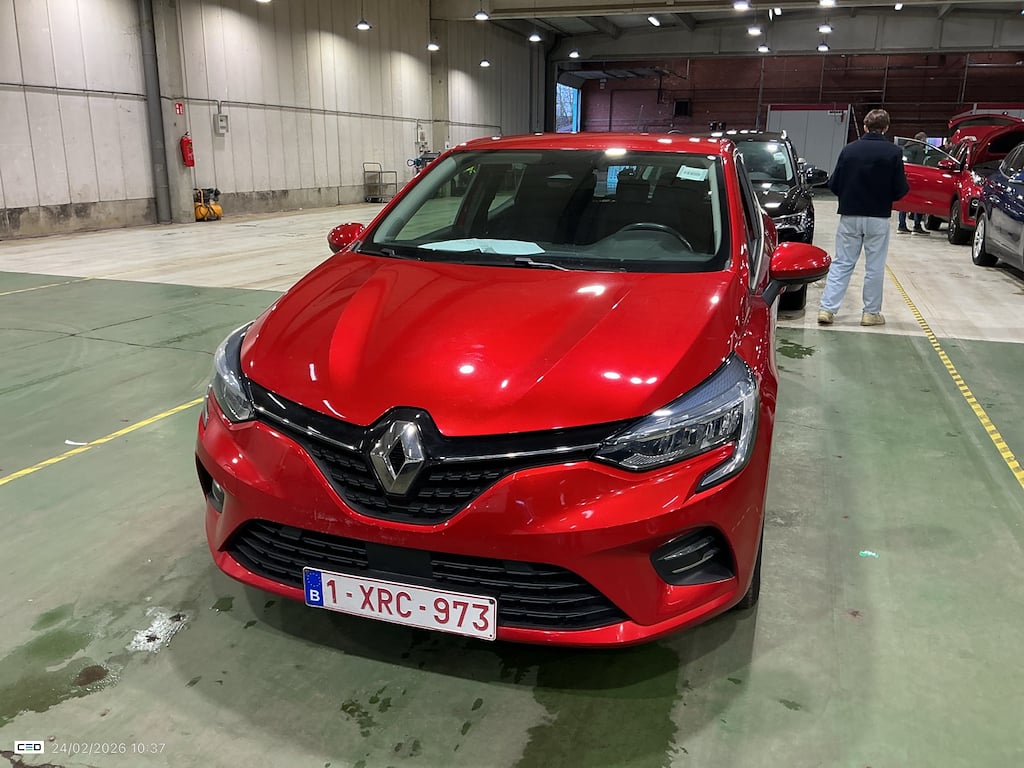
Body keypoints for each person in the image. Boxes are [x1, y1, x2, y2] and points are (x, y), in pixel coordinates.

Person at [818, 108, 909, 327]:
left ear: (865, 126)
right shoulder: (894, 152)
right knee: (874, 266)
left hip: (850, 215)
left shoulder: (849, 150)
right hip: (878, 217)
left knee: (842, 263)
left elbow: (834, 183)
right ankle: (870, 313)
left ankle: (827, 309)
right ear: (886, 128)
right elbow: (900, 189)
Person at [897, 132, 929, 234]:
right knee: (918, 202)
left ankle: (901, 225)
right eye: (925, 140)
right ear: (922, 140)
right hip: (916, 178)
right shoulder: (918, 149)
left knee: (904, 201)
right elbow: (920, 165)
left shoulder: (906, 147)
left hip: (905, 176)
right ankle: (917, 226)